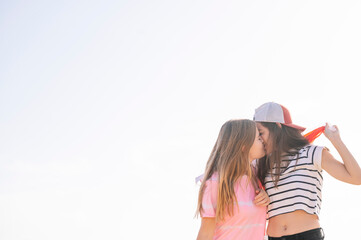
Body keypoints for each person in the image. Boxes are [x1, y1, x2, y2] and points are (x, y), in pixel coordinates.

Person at [253, 102, 361, 240]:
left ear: (278, 128)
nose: (259, 139)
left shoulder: (311, 153)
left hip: (306, 236)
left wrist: (336, 140)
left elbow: (356, 178)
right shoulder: (259, 162)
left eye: (261, 133)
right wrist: (259, 190)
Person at [196, 119, 270, 240]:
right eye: (258, 138)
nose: (263, 142)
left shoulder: (256, 178)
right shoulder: (215, 183)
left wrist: (265, 197)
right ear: (244, 146)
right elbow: (205, 234)